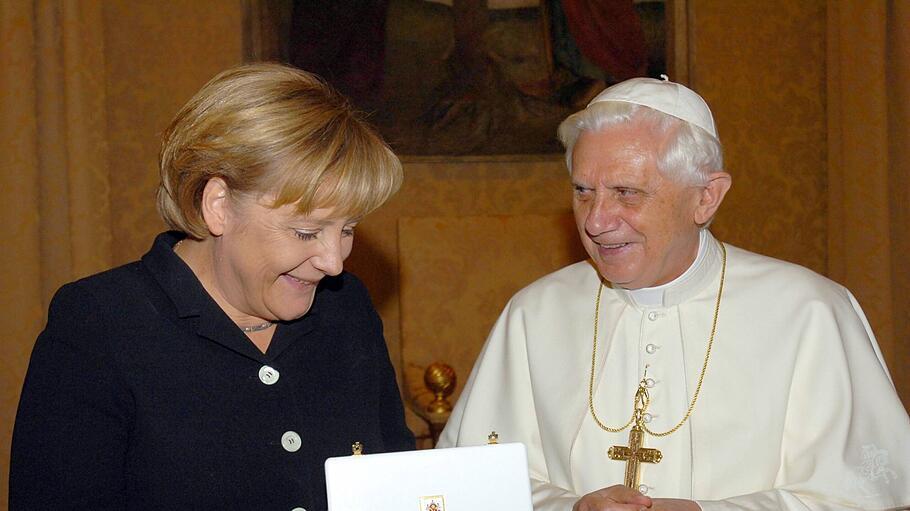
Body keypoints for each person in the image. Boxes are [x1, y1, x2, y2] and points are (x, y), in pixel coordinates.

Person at [437, 76, 910, 510]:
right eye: (583, 191)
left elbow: (864, 494)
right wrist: (569, 508)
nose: (596, 221)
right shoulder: (535, 313)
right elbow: (466, 484)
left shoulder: (810, 312)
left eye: (626, 193)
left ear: (706, 197)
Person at [10, 63, 414, 510]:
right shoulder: (100, 326)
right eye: (306, 232)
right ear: (218, 205)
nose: (334, 263)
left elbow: (394, 482)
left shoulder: (347, 309)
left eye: (348, 229)